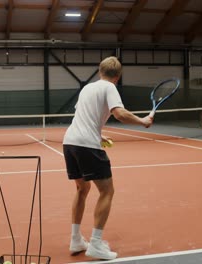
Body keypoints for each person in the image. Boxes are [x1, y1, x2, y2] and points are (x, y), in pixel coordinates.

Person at [63, 56, 153, 260]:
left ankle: (76, 239)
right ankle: (95, 243)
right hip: (86, 144)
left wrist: (99, 134)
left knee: (82, 188)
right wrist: (143, 121)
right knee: (106, 191)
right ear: (118, 76)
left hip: (70, 142)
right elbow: (119, 113)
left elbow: (82, 117)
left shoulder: (87, 88)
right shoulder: (110, 88)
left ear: (99, 70)